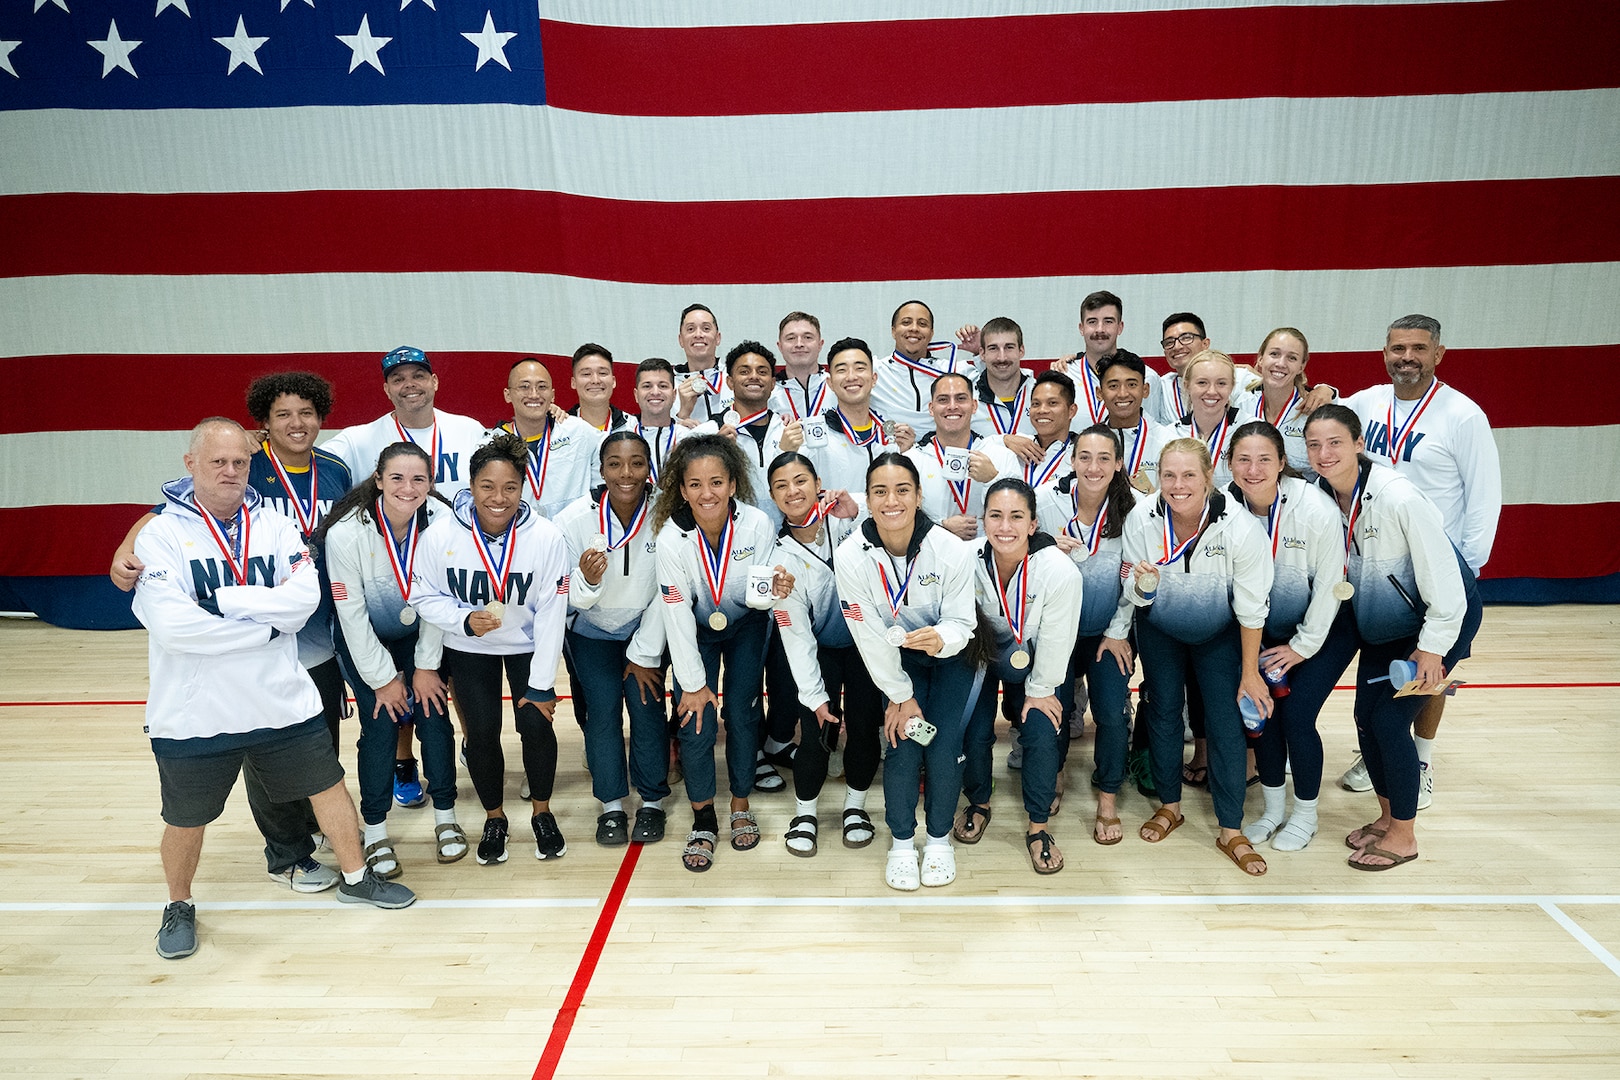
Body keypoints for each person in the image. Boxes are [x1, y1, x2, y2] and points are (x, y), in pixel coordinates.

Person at [132, 419, 415, 959]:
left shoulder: (277, 526)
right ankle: (178, 904)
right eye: (218, 462)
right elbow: (173, 627)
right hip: (196, 712)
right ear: (191, 465)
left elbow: (302, 600)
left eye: (239, 462)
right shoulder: (159, 535)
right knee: (185, 818)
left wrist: (222, 602)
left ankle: (356, 879)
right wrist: (264, 621)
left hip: (280, 698)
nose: (231, 471)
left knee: (329, 788)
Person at [109, 372, 354, 884]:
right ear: (262, 425)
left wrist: (224, 603)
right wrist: (123, 550)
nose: (297, 423)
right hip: (270, 635)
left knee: (313, 748)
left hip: (313, 631)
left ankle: (319, 836)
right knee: (264, 755)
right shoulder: (246, 467)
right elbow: (165, 515)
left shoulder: (334, 469)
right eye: (283, 414)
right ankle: (288, 848)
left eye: (306, 413)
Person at [1304, 404, 1482, 870]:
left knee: (1388, 722)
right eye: (1314, 444)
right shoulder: (1323, 494)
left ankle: (1404, 836)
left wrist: (1433, 648)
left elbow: (1445, 581)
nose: (1324, 454)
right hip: (1383, 620)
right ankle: (1386, 818)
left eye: (1335, 442)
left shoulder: (1399, 497)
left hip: (1440, 622)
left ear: (1359, 444)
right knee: (1366, 716)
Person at [1339, 314, 1501, 806]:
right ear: (1384, 352)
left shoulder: (1462, 415)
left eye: (1417, 348)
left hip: (1437, 569)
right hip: (1377, 569)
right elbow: (1319, 430)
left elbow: (1484, 496)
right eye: (1397, 348)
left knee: (1431, 670)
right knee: (1385, 672)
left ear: (1439, 353)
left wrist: (1464, 570)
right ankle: (1383, 750)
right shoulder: (1364, 403)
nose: (1406, 357)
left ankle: (1422, 759)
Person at [411, 434, 571, 865]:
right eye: (487, 486)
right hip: (468, 647)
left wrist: (542, 684)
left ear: (524, 488)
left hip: (526, 647)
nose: (498, 498)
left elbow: (553, 613)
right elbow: (421, 594)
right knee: (481, 735)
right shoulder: (440, 534)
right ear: (471, 484)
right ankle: (494, 817)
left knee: (536, 728)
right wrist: (462, 619)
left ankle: (542, 813)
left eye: (509, 488)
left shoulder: (547, 537)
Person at [1122, 437, 1275, 876]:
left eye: (1189, 475)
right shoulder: (1143, 518)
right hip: (1161, 631)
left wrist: (1250, 673)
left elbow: (1252, 607)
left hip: (1219, 632)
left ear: (1210, 477)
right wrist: (1143, 585)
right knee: (1164, 713)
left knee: (1225, 723)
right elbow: (1131, 589)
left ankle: (1231, 828)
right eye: (1168, 475)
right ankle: (1171, 806)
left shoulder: (1241, 527)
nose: (1177, 484)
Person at [318, 442, 467, 875]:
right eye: (397, 478)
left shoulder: (441, 523)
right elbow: (351, 614)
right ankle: (378, 830)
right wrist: (383, 679)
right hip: (365, 640)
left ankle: (446, 817)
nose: (408, 488)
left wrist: (425, 667)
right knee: (381, 724)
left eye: (419, 479)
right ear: (378, 480)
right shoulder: (346, 532)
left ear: (431, 483)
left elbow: (442, 601)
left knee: (434, 715)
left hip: (422, 635)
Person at [835, 453, 980, 891]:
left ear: (918, 496)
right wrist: (901, 695)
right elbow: (867, 634)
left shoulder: (950, 548)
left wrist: (943, 638)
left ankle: (937, 841)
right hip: (894, 667)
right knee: (903, 742)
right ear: (868, 499)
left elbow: (963, 622)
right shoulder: (849, 556)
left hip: (951, 659)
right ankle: (901, 843)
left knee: (942, 744)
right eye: (880, 491)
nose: (891, 500)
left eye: (902, 490)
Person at [653, 435, 795, 871]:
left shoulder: (757, 524)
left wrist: (776, 590)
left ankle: (738, 803)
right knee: (696, 720)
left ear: (733, 484)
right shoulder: (670, 539)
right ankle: (703, 818)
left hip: (746, 627)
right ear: (682, 489)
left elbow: (760, 594)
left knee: (741, 711)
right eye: (695, 484)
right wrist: (693, 686)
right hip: (693, 629)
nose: (706, 493)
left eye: (716, 482)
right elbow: (675, 614)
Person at [1225, 422, 1345, 850]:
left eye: (1264, 460)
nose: (1253, 470)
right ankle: (1274, 811)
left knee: (1295, 716)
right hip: (1261, 633)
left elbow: (1332, 585)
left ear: (1282, 463)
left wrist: (1301, 647)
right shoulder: (1223, 508)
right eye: (1243, 459)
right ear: (1229, 464)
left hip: (1322, 630)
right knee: (1263, 715)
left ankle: (1306, 815)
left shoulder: (1316, 509)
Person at [957, 479, 1083, 874]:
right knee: (975, 733)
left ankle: (1038, 827)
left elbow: (1058, 638)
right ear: (983, 520)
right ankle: (979, 801)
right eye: (995, 515)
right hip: (977, 655)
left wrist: (1040, 691)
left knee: (1042, 730)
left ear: (1033, 524)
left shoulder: (1059, 571)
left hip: (1037, 656)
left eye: (1016, 517)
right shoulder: (961, 558)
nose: (1005, 526)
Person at [554, 432, 672, 845]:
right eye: (616, 464)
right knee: (601, 713)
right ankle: (611, 807)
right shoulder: (572, 520)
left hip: (647, 628)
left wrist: (644, 651)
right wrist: (586, 581)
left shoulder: (667, 513)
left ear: (649, 468)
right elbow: (563, 591)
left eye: (637, 463)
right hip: (592, 632)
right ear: (601, 469)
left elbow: (669, 587)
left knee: (646, 709)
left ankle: (653, 801)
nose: (627, 473)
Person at [766, 452, 879, 857]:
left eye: (800, 481)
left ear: (818, 483)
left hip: (868, 648)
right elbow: (795, 635)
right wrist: (814, 696)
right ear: (773, 497)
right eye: (781, 486)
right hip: (822, 650)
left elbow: (896, 512)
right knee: (815, 733)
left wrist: (858, 510)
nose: (793, 491)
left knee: (865, 728)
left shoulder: (850, 520)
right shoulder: (779, 558)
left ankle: (855, 808)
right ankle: (806, 813)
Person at [1036, 425, 1142, 845]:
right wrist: (1044, 550)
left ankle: (1108, 795)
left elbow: (1137, 580)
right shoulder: (1045, 502)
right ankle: (1055, 775)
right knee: (1055, 710)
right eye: (1084, 457)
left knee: (1112, 714)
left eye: (1103, 458)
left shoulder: (1137, 512)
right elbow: (1021, 558)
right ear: (1072, 460)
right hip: (1055, 633)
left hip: (1107, 631)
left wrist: (1118, 632)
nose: (1093, 467)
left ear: (1118, 464)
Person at [320, 347, 487, 499]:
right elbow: (310, 466)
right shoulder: (358, 441)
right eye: (398, 380)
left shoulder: (469, 431)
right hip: (390, 532)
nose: (409, 385)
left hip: (458, 531)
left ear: (434, 382)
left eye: (418, 376)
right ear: (387, 390)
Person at [489, 357, 607, 520]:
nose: (534, 394)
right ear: (508, 395)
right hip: (519, 538)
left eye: (542, 387)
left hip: (573, 537)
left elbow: (615, 454)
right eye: (524, 386)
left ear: (552, 395)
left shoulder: (577, 431)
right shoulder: (491, 445)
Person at [905, 372, 1018, 540]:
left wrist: (993, 479)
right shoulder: (911, 461)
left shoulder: (1001, 456)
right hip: (934, 558)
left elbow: (1020, 515)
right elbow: (899, 517)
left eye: (960, 399)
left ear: (973, 406)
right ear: (931, 408)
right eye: (943, 400)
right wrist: (939, 526)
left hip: (991, 558)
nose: (952, 406)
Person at [803, 337, 918, 493]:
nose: (851, 377)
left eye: (860, 368)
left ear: (873, 379)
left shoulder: (894, 436)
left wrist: (909, 454)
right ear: (830, 383)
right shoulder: (814, 438)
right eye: (842, 370)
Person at [872, 300, 979, 436]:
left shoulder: (956, 370)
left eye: (922, 324)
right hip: (891, 453)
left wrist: (979, 352)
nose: (914, 328)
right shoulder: (874, 371)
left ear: (931, 333)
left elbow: (997, 383)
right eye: (906, 322)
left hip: (940, 452)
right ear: (893, 331)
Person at [1096, 351, 1176, 493]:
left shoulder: (1169, 442)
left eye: (1132, 384)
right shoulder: (1087, 443)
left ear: (1145, 390)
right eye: (1113, 386)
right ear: (1100, 393)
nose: (1123, 394)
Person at [1241, 328, 1316, 477]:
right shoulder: (1241, 404)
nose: (1281, 363)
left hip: (1299, 498)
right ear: (1261, 358)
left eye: (1292, 358)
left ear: (1301, 366)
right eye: (1274, 354)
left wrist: (1328, 390)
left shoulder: (1313, 412)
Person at [1173, 350, 1243, 489]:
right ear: (1186, 385)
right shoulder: (1170, 435)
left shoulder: (1250, 430)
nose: (1211, 391)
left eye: (1221, 383)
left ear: (1232, 386)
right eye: (1202, 383)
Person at [964, 316, 1038, 440]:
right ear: (982, 354)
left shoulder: (1040, 394)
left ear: (1021, 351)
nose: (1002, 358)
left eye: (1009, 347)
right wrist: (1003, 442)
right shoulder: (966, 400)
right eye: (993, 348)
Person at [1059, 290, 1124, 428]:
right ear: (1081, 328)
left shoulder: (1145, 377)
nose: (1100, 329)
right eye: (1092, 322)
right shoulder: (1062, 375)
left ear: (1120, 327)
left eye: (1108, 321)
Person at [1146, 313, 1211, 426]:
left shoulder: (1234, 379)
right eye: (1169, 342)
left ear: (1205, 344)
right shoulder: (1161, 387)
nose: (1177, 347)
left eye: (1186, 338)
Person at [1020, 370, 1079, 490]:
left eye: (1052, 403)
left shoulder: (1082, 454)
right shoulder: (1016, 448)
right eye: (1036, 404)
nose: (1042, 410)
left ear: (1071, 411)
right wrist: (1005, 439)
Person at [673, 303, 731, 424]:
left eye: (706, 328)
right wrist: (681, 416)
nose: (698, 335)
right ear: (681, 340)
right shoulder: (667, 387)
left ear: (718, 338)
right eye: (690, 329)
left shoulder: (735, 379)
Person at [769, 311, 830, 421]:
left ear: (820, 345)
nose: (799, 344)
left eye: (807, 337)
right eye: (791, 338)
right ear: (780, 346)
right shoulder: (768, 393)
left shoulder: (837, 388)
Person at [568, 343, 631, 433]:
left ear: (613, 381)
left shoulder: (633, 427)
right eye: (586, 374)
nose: (595, 380)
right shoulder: (559, 428)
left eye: (602, 373)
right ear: (573, 383)